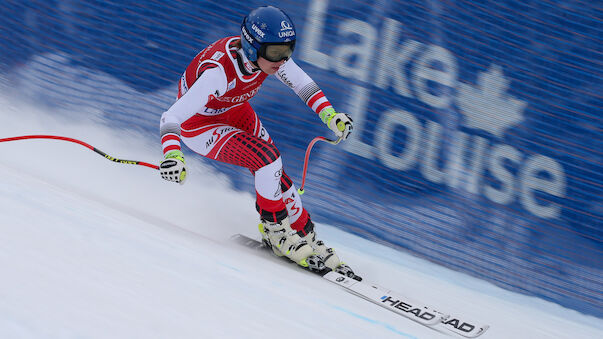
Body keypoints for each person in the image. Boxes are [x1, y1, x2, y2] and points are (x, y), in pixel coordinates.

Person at [158, 6, 355, 277]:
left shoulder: (269, 59)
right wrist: (173, 154)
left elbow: (302, 84)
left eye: (289, 50)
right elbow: (172, 115)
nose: (282, 59)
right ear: (252, 48)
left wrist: (330, 115)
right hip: (201, 126)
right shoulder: (218, 72)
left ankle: (303, 233)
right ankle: (275, 230)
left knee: (275, 173)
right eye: (276, 52)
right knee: (267, 159)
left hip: (236, 110)